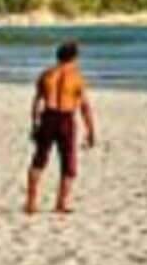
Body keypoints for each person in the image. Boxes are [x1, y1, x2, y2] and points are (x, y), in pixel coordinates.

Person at [26, 41, 95, 216]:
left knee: (39, 159)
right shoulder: (76, 77)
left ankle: (31, 202)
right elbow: (84, 106)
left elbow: (36, 102)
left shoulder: (46, 75)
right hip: (65, 119)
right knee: (68, 162)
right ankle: (61, 203)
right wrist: (91, 131)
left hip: (48, 117)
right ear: (74, 57)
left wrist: (34, 123)